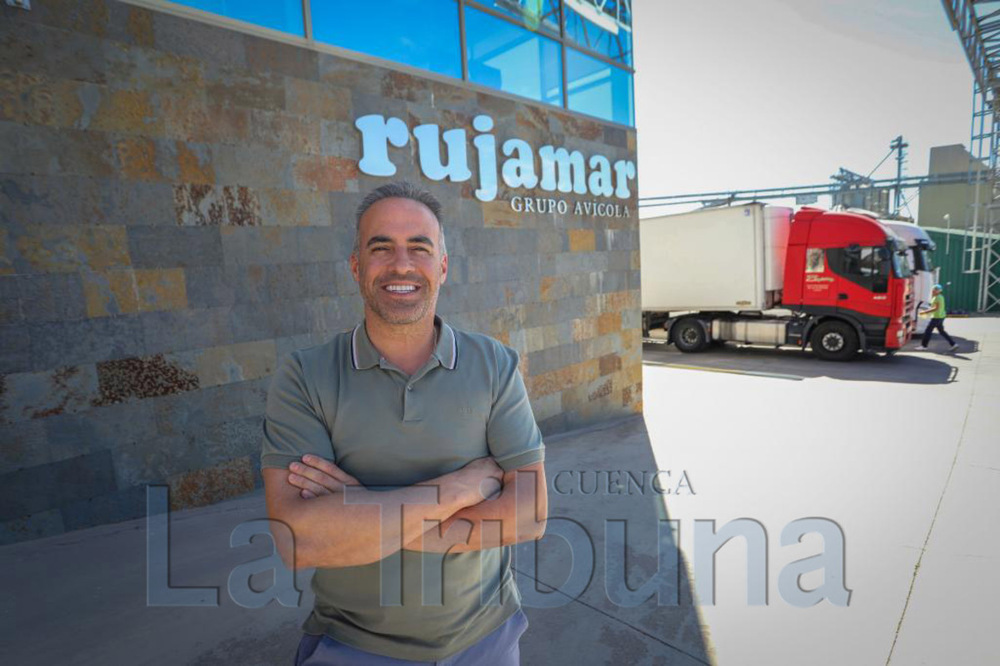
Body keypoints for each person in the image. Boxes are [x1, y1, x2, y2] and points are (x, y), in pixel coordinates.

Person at [260, 181, 548, 665]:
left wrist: (362, 513)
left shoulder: (494, 364)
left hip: (487, 643)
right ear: (356, 266)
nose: (401, 265)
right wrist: (459, 489)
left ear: (442, 266)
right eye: (381, 248)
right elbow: (298, 538)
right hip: (352, 647)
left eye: (419, 247)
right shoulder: (305, 375)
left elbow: (530, 513)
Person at [916, 284, 958, 351]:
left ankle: (924, 346)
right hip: (941, 317)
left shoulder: (937, 298)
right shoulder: (940, 296)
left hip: (936, 317)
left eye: (935, 290)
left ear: (939, 291)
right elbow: (934, 306)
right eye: (933, 289)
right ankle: (953, 344)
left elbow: (935, 308)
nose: (933, 291)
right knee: (941, 331)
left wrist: (925, 312)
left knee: (928, 331)